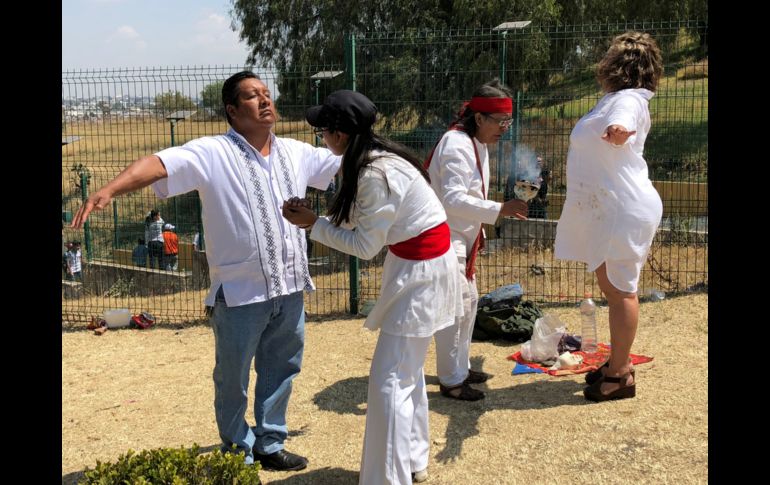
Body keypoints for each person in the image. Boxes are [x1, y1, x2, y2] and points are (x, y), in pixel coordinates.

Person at [71, 70, 341, 470]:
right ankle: (237, 449)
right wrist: (110, 188)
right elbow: (159, 164)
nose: (265, 101)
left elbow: (346, 162)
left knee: (282, 367)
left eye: (267, 94)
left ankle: (270, 442)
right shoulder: (213, 153)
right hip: (238, 291)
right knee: (231, 377)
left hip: (289, 286)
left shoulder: (297, 153)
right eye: (253, 96)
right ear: (232, 110)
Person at [283, 90, 462, 485]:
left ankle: (386, 478)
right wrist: (316, 216)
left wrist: (313, 224)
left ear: (340, 134)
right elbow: (365, 222)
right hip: (422, 265)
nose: (321, 139)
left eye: (324, 131)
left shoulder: (373, 173)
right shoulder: (380, 159)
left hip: (422, 273)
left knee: (390, 380)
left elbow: (365, 246)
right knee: (406, 373)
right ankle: (412, 461)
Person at [554, 31, 664, 402]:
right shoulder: (614, 100)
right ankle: (618, 363)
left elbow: (623, 122)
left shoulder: (628, 101)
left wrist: (619, 132)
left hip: (622, 208)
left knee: (620, 291)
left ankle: (619, 375)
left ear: (617, 66)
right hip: (613, 207)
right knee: (612, 285)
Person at [425, 79, 528, 401]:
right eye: (500, 122)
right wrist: (500, 209)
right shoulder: (455, 144)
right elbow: (452, 199)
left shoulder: (477, 144)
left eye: (507, 122)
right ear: (480, 118)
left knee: (468, 304)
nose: (504, 129)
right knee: (454, 308)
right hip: (445, 237)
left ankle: (461, 367)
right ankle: (451, 380)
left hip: (464, 238)